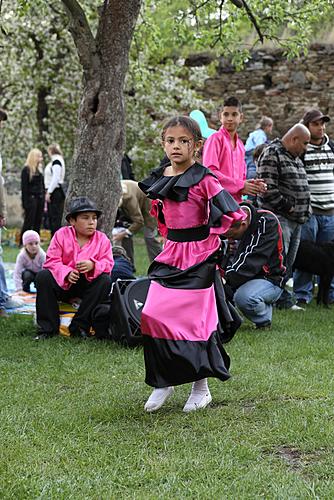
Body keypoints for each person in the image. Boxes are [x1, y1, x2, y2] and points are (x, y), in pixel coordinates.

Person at [138, 116, 246, 413]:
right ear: (163, 143)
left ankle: (202, 388)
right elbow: (162, 217)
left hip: (199, 257)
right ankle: (164, 380)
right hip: (171, 256)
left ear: (196, 146)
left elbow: (229, 214)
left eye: (183, 141)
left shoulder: (205, 178)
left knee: (195, 324)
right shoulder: (161, 176)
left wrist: (223, 232)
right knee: (152, 314)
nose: (176, 146)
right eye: (170, 140)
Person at [34, 197, 113, 340]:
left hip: (86, 288)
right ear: (72, 221)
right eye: (85, 218)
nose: (91, 222)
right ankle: (47, 329)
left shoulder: (102, 239)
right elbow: (51, 261)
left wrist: (93, 265)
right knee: (43, 276)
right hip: (63, 286)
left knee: (105, 280)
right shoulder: (61, 235)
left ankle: (79, 326)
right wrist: (66, 272)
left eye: (94, 218)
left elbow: (108, 263)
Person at [257, 124, 311, 309]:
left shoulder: (294, 157)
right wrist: (290, 208)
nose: (306, 148)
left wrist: (304, 210)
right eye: (304, 143)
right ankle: (273, 299)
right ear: (294, 139)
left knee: (288, 262)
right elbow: (267, 189)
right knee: (277, 261)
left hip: (296, 221)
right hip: (280, 218)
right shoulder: (272, 153)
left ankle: (281, 299)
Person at [293, 109, 334, 306]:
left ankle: (328, 296)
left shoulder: (332, 147)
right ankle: (302, 295)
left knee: (330, 261)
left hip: (330, 211)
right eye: (316, 124)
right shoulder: (302, 150)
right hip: (310, 212)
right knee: (305, 257)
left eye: (322, 124)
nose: (321, 128)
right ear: (307, 127)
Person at [224, 203, 285, 329]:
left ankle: (264, 319)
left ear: (243, 225)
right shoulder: (229, 215)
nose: (230, 240)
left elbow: (253, 260)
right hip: (241, 275)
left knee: (244, 298)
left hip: (270, 278)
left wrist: (225, 280)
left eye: (231, 236)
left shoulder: (267, 222)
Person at [202, 96, 267, 202]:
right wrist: (240, 186)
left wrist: (252, 185)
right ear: (220, 117)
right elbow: (210, 174)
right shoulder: (215, 139)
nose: (230, 118)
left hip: (236, 204)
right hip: (218, 203)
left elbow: (240, 178)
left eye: (234, 114)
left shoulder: (241, 146)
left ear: (241, 117)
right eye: (226, 114)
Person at [113, 180, 162, 263]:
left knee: (150, 237)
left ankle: (159, 264)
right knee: (126, 235)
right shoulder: (115, 191)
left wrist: (123, 234)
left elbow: (139, 221)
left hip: (148, 209)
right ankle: (129, 265)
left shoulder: (129, 199)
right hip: (131, 210)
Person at [20, 148, 45, 242]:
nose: (41, 158)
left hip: (40, 198)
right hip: (31, 199)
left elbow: (42, 185)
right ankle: (23, 241)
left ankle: (36, 241)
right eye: (39, 156)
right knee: (29, 221)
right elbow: (24, 188)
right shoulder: (26, 170)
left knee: (38, 221)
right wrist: (25, 203)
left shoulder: (39, 169)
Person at [45, 143, 66, 236]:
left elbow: (56, 178)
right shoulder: (57, 160)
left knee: (55, 217)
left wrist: (49, 192)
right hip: (55, 190)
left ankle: (55, 238)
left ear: (50, 151)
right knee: (54, 216)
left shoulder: (56, 161)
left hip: (55, 191)